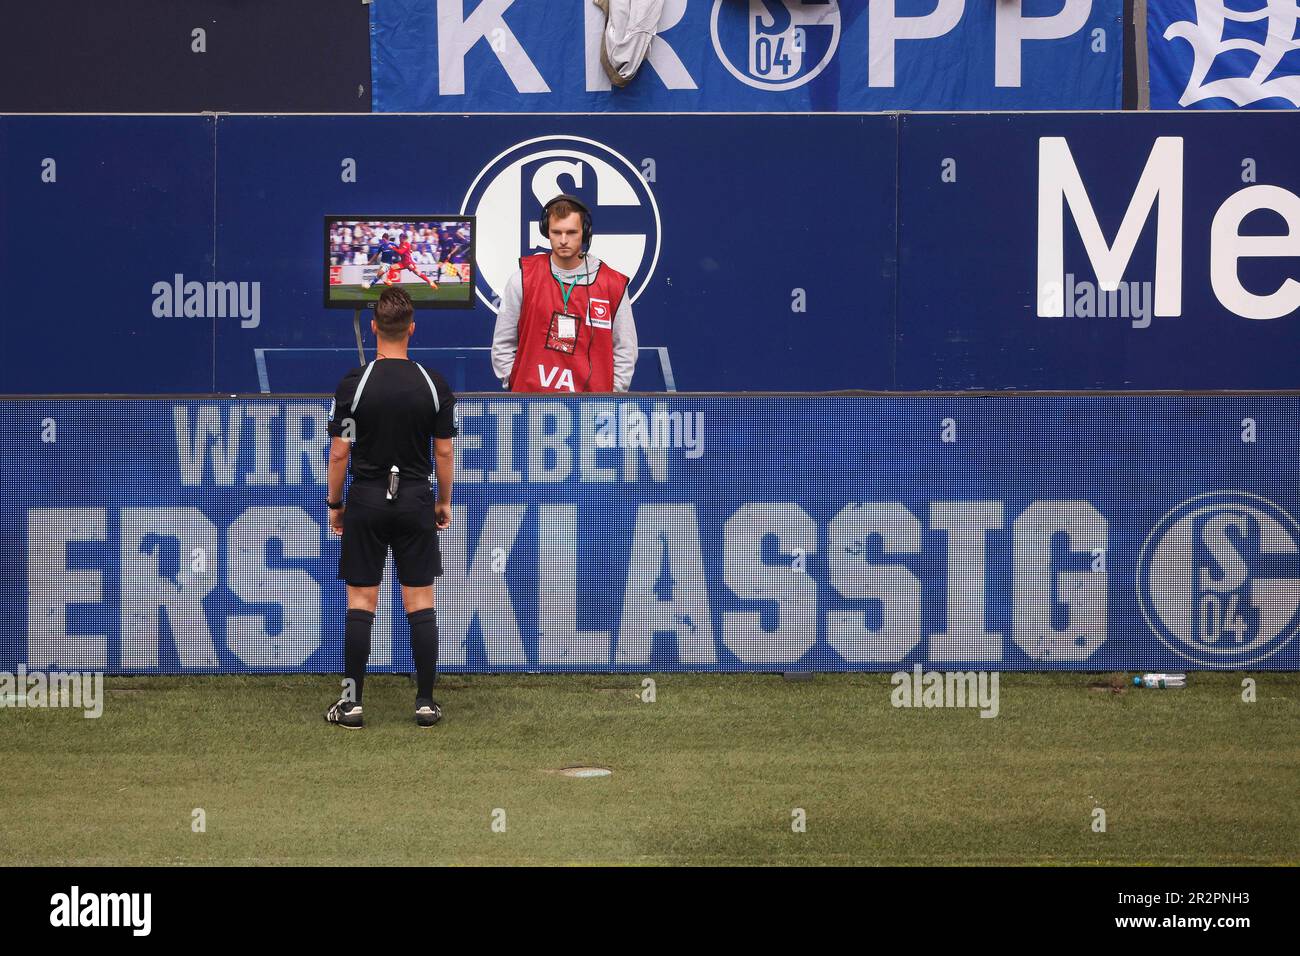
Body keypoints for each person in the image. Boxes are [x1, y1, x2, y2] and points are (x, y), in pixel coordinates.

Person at [323, 286, 457, 730]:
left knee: (362, 600)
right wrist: (442, 501)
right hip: (416, 498)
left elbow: (339, 453)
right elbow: (443, 453)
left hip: (366, 499)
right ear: (412, 329)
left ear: (376, 327)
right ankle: (424, 702)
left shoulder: (352, 384)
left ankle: (352, 705)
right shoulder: (434, 385)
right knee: (419, 600)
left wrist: (335, 504)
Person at [491, 194, 638, 393]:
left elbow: (625, 349)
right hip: (531, 405)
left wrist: (611, 397)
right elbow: (503, 343)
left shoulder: (612, 284)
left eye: (571, 232)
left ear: (585, 232)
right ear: (546, 232)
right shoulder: (522, 279)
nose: (563, 240)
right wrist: (516, 385)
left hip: (591, 409)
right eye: (556, 232)